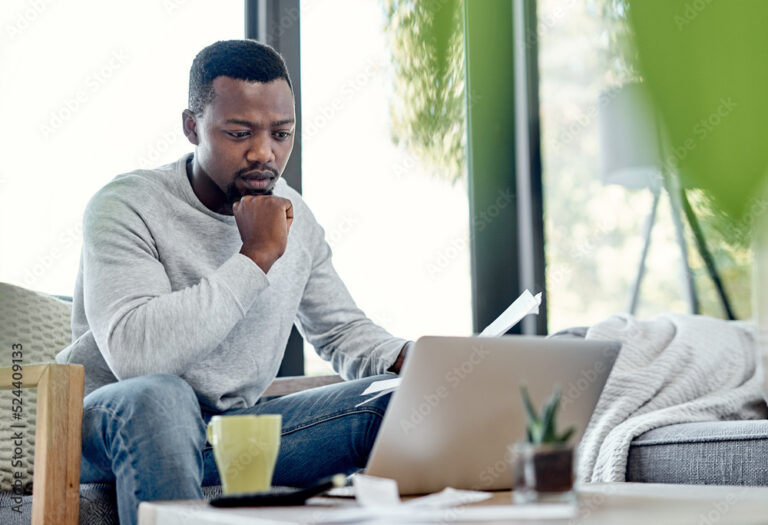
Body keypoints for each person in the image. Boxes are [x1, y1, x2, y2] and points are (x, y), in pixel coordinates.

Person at [56, 39, 411, 525]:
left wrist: (411, 359)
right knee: (162, 398)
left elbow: (341, 332)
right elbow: (138, 359)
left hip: (228, 436)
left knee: (395, 402)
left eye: (282, 134)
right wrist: (256, 256)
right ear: (191, 127)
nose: (264, 154)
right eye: (240, 133)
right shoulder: (126, 206)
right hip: (111, 425)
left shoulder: (294, 217)